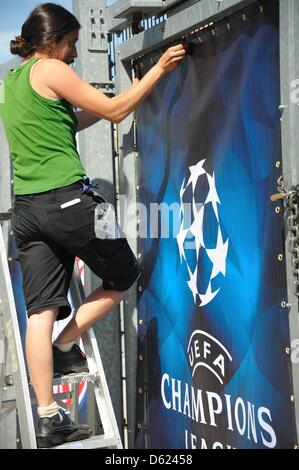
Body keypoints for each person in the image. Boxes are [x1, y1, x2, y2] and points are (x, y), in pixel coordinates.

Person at [0, 3, 186, 448]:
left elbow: (67, 119)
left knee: (39, 313)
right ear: (53, 41)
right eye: (72, 44)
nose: (75, 54)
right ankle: (68, 344)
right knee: (125, 274)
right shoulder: (50, 68)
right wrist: (157, 70)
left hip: (26, 211)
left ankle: (48, 417)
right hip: (71, 201)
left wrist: (99, 109)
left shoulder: (12, 80)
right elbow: (116, 110)